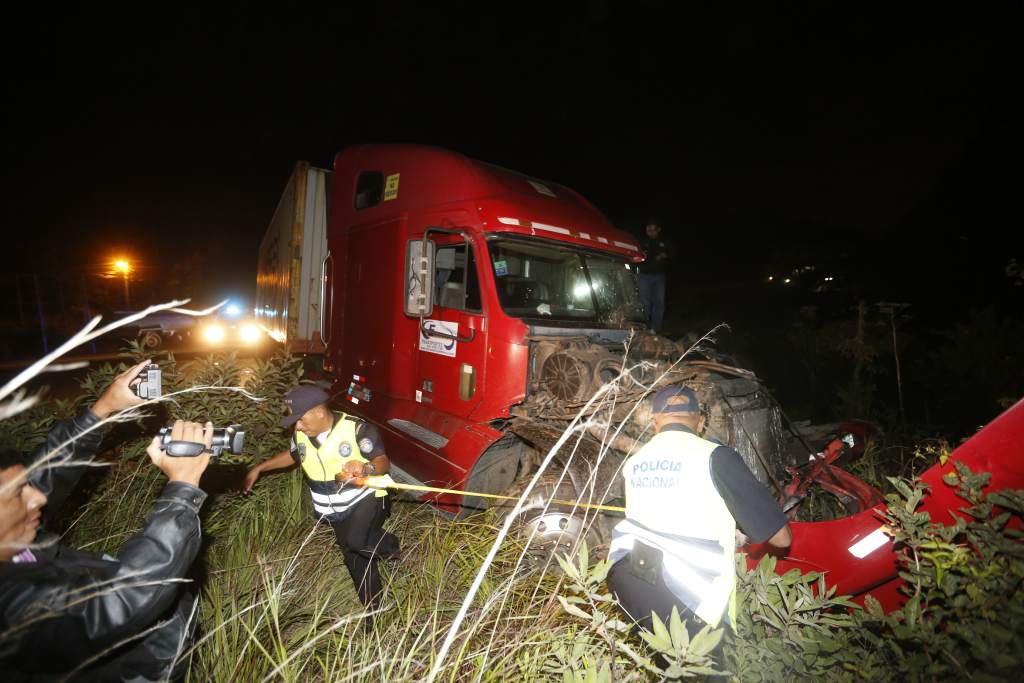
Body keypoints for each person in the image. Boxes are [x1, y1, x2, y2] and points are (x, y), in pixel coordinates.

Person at [0, 359, 214, 681]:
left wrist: (102, 410)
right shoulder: (9, 607)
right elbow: (120, 602)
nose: (38, 498)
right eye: (19, 493)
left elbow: (48, 474)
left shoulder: (12, 540)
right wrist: (182, 490)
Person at [606, 385, 791, 661]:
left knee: (665, 665)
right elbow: (781, 538)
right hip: (689, 593)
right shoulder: (715, 456)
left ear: (655, 422)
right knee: (710, 671)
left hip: (630, 579)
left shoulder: (635, 462)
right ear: (701, 422)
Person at [241, 386, 399, 612]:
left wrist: (366, 467)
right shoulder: (301, 434)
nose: (298, 426)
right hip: (334, 509)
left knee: (356, 541)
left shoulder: (357, 429)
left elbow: (382, 461)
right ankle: (375, 610)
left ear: (319, 411)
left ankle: (391, 548)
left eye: (301, 419)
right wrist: (260, 468)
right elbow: (294, 455)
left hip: (368, 497)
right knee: (354, 558)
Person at [637, 220, 673, 333]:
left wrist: (665, 254)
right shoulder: (642, 241)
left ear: (658, 230)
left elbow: (672, 253)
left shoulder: (664, 241)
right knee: (644, 303)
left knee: (659, 302)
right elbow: (634, 255)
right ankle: (644, 328)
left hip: (659, 276)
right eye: (649, 230)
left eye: (653, 230)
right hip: (644, 275)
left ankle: (656, 329)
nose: (651, 232)